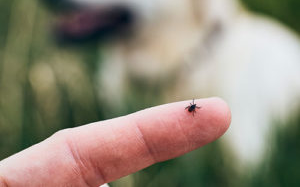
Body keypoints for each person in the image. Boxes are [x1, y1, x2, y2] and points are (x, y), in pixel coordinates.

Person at [0, 98, 230, 187]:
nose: (192, 109)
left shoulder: (189, 109)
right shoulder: (191, 110)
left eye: (192, 108)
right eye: (192, 108)